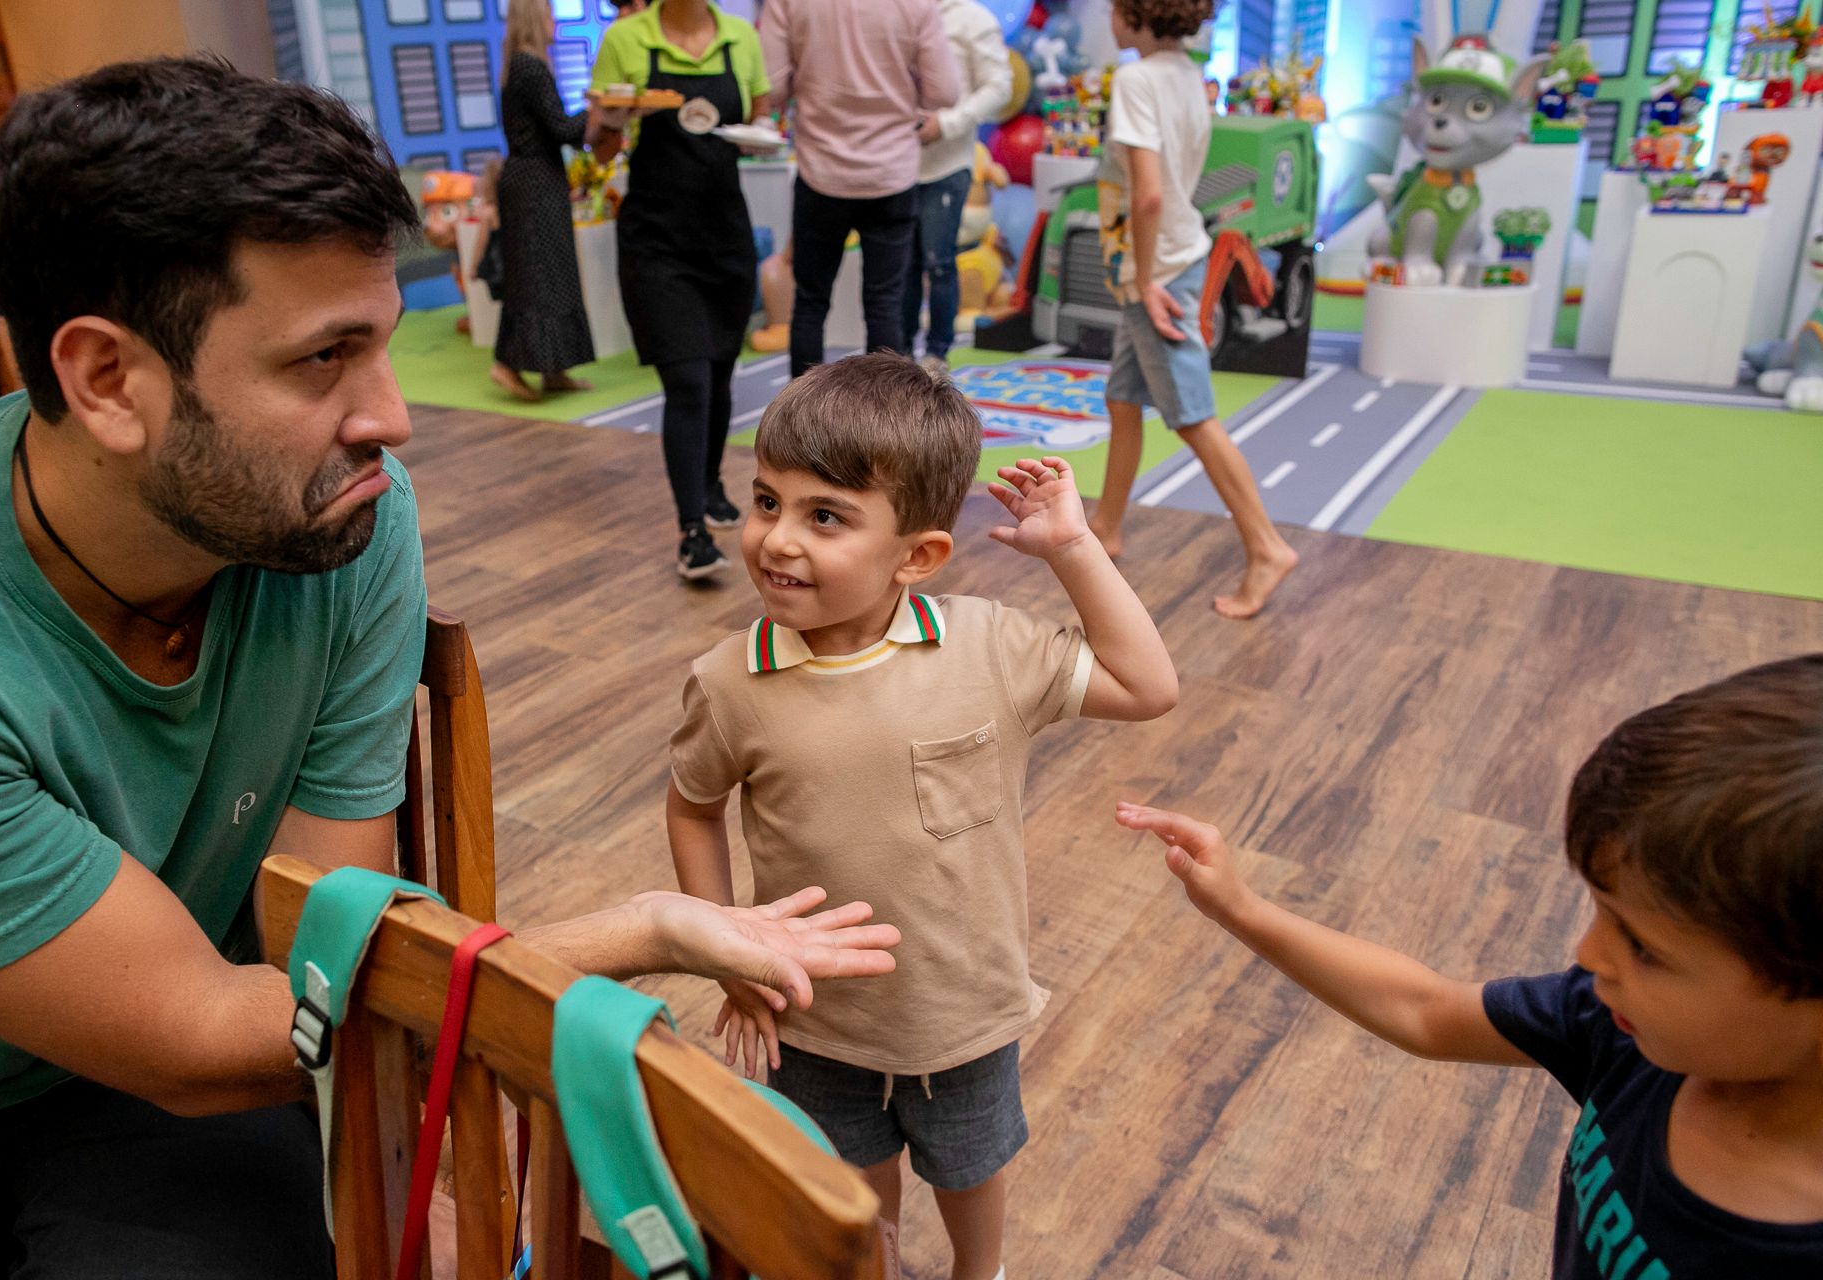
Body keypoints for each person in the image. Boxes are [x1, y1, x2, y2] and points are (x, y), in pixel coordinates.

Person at [0, 59, 899, 1280]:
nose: (394, 415)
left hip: (217, 1050)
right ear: (109, 379)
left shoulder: (338, 519)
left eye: (383, 343)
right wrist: (642, 925)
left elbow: (324, 941)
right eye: (324, 359)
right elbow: (201, 1036)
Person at [666, 353, 1178, 1280]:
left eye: (825, 517)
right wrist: (726, 950)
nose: (778, 539)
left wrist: (1072, 547)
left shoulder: (987, 647)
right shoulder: (729, 682)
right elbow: (693, 809)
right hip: (814, 1014)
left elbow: (1149, 685)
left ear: (919, 555)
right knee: (855, 1190)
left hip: (964, 1008)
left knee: (972, 1165)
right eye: (767, 501)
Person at [1118, 654, 1823, 1278]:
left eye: (1644, 946)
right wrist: (1241, 906)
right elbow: (1428, 1012)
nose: (1588, 955)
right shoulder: (1627, 1028)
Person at [1086, 0, 1297, 619]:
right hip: (1165, 264)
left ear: (1134, 14)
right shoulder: (1184, 74)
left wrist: (1146, 279)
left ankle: (1267, 547)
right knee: (1124, 400)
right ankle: (1106, 525)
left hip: (1158, 273)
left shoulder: (1136, 80)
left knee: (1192, 415)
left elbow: (1147, 195)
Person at [588, 0, 771, 581]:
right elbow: (600, 146)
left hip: (725, 236)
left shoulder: (742, 38)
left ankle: (712, 480)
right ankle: (692, 530)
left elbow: (761, 118)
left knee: (719, 373)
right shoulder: (627, 38)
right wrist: (614, 121)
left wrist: (760, 135)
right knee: (688, 378)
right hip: (655, 239)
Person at [759, 0, 962, 378]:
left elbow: (770, 85)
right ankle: (882, 427)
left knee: (810, 303)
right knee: (885, 304)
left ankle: (802, 424)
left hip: (821, 171)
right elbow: (945, 92)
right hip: (890, 173)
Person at [492, 0, 598, 401]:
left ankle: (554, 368)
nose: (555, 22)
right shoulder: (531, 67)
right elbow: (564, 129)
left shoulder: (519, 65)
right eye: (551, 14)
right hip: (535, 186)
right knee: (538, 278)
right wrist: (598, 106)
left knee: (545, 275)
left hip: (533, 183)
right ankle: (507, 364)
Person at [904, 0, 1013, 377]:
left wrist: (949, 124)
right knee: (901, 266)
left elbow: (999, 86)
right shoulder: (896, 10)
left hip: (948, 162)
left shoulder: (973, 18)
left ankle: (937, 354)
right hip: (893, 163)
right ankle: (896, 356)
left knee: (939, 262)